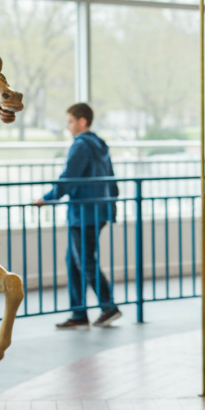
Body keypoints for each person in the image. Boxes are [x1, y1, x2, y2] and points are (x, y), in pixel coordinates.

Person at [35, 103, 122, 330]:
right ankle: (79, 313)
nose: (68, 126)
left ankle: (108, 306)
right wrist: (111, 209)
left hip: (83, 214)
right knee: (74, 262)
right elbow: (111, 179)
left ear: (82, 121)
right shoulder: (100, 144)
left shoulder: (80, 145)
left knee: (84, 261)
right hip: (97, 211)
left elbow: (68, 178)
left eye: (71, 121)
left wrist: (48, 198)